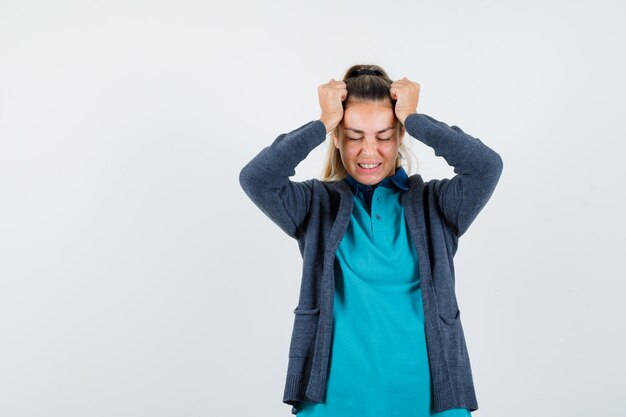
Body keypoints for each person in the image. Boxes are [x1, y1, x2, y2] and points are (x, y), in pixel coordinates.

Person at [239, 64, 504, 416]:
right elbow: (256, 179)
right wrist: (321, 122)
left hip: (432, 402)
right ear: (336, 137)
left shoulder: (436, 205)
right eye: (353, 135)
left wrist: (414, 117)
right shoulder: (315, 206)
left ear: (400, 137)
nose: (368, 151)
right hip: (332, 403)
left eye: (383, 135)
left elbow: (486, 167)